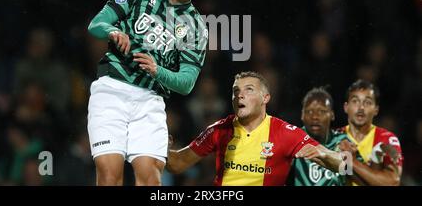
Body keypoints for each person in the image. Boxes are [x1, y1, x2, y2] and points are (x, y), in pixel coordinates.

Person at [86, 0, 211, 186]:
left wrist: (157, 70)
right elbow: (97, 23)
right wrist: (113, 30)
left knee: (150, 179)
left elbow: (186, 83)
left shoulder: (196, 26)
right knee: (110, 175)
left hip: (150, 100)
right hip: (111, 90)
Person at [166, 71, 345, 186]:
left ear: (265, 98)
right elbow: (178, 163)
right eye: (236, 91)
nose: (240, 95)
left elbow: (343, 164)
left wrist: (324, 155)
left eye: (249, 90)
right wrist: (162, 148)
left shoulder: (285, 132)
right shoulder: (219, 130)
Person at [339, 79, 403, 186]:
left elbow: (392, 182)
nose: (361, 107)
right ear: (346, 107)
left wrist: (352, 161)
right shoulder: (335, 138)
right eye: (355, 101)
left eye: (367, 102)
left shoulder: (387, 139)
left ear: (376, 110)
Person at [289, 87, 348, 186]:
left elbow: (355, 177)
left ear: (332, 115)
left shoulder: (343, 141)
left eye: (322, 111)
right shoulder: (293, 140)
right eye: (309, 111)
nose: (315, 117)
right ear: (302, 115)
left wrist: (351, 159)